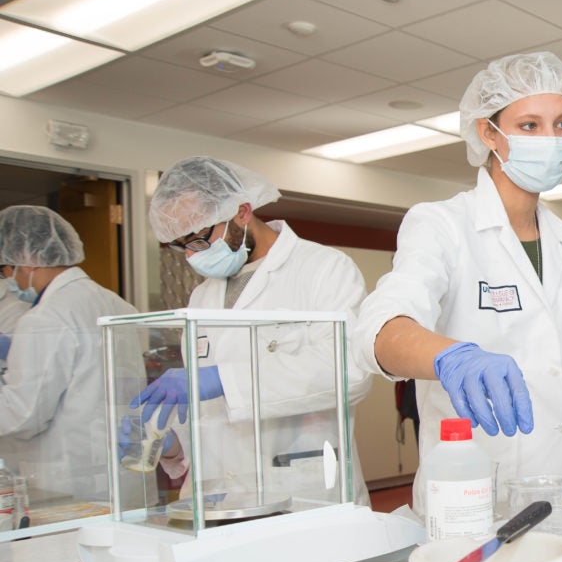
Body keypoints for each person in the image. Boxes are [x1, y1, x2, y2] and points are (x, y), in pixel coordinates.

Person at [354, 51, 562, 515]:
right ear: (488, 133)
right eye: (529, 126)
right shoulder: (441, 225)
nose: (552, 140)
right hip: (480, 500)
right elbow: (381, 328)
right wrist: (450, 357)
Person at [136, 157, 372, 504]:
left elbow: (350, 372)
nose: (190, 255)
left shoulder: (324, 269)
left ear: (242, 212)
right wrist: (170, 443)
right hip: (218, 498)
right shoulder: (202, 296)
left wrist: (225, 379)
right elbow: (204, 412)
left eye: (199, 239)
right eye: (180, 244)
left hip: (301, 493)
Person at [0, 205, 138, 504]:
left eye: (6, 269)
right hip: (126, 478)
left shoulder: (44, 318)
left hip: (72, 485)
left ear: (26, 260)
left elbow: (23, 416)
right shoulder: (117, 305)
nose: (9, 280)